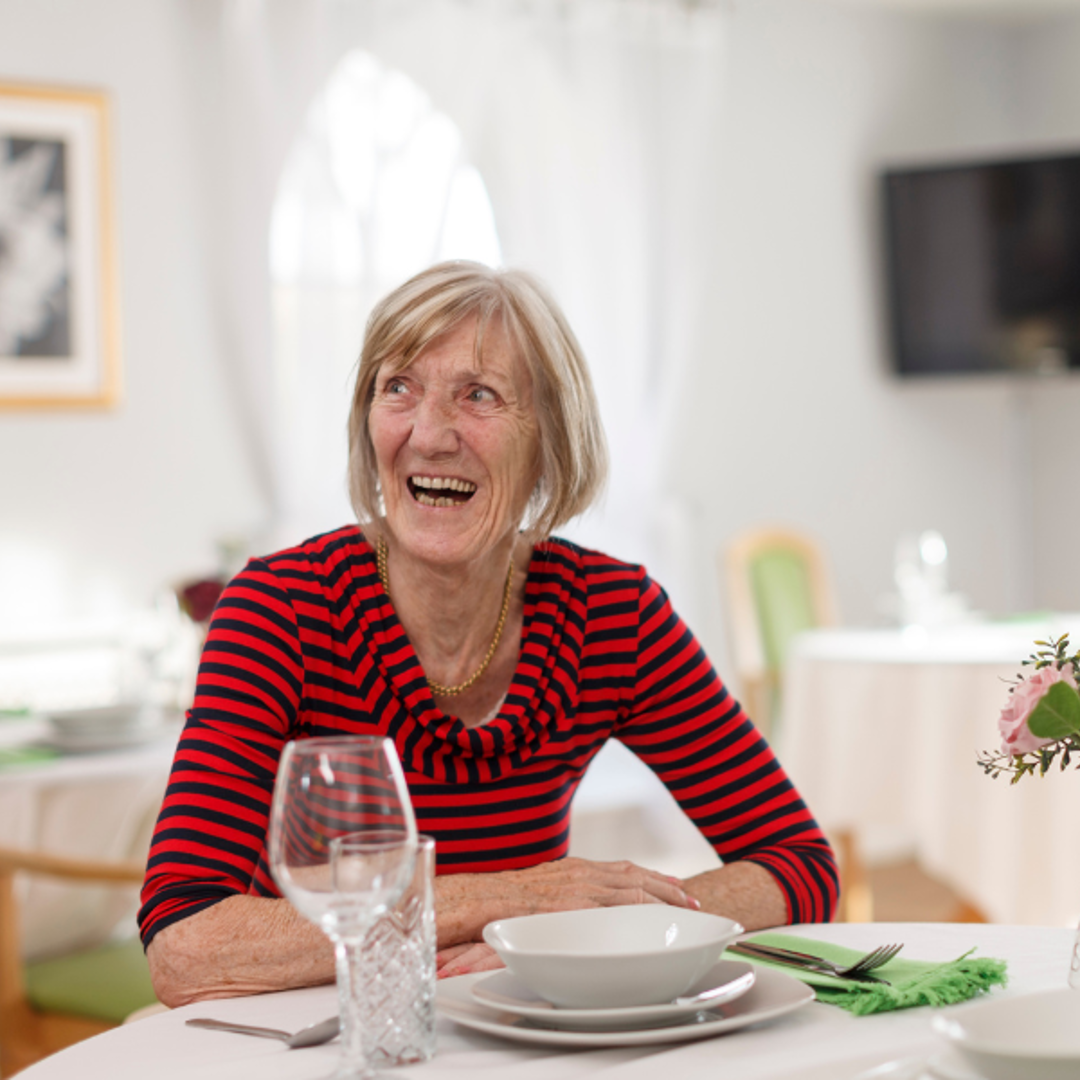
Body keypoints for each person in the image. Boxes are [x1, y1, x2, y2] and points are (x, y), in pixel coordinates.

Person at [139, 261, 838, 1006]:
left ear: (549, 440)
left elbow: (800, 866)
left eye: (478, 395)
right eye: (398, 388)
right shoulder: (281, 609)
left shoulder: (611, 613)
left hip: (519, 1040)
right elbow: (186, 943)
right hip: (317, 1040)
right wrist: (512, 904)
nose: (430, 434)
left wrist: (599, 932)